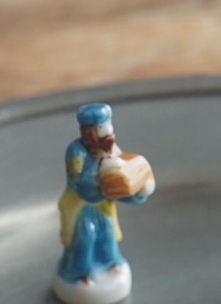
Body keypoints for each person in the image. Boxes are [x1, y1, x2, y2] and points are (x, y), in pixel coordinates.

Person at [56, 103, 151, 286]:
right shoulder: (76, 151)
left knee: (107, 231)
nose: (108, 130)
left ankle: (110, 263)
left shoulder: (111, 149)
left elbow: (120, 179)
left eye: (108, 125)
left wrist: (137, 191)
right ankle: (81, 272)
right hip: (81, 204)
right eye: (101, 127)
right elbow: (77, 181)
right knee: (87, 235)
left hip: (103, 205)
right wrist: (102, 171)